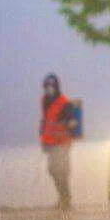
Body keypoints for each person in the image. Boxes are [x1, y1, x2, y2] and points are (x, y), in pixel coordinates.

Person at [40, 73, 77, 210]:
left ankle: (66, 200)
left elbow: (71, 121)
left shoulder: (64, 103)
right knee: (52, 170)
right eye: (47, 86)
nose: (48, 89)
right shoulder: (45, 101)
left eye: (51, 86)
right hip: (51, 144)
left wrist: (71, 123)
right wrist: (43, 141)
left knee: (62, 171)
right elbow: (45, 122)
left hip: (62, 144)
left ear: (56, 87)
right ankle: (62, 198)